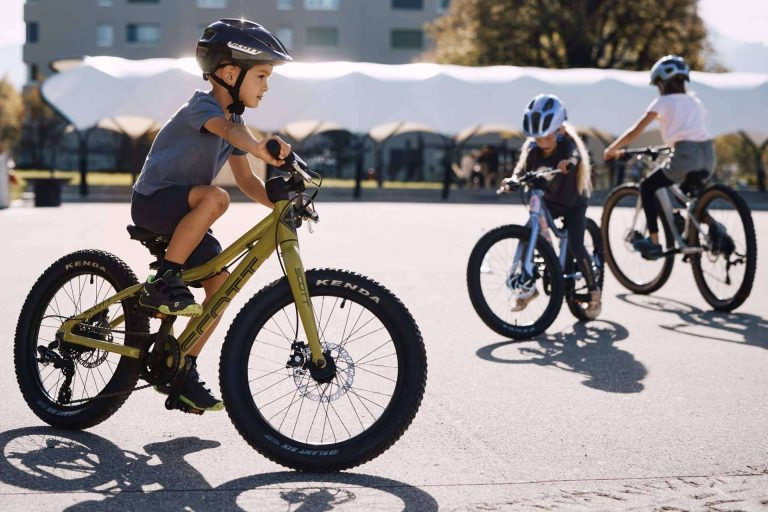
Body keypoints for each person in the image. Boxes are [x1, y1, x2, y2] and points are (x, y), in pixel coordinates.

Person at [130, 18, 293, 412]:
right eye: (262, 76)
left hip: (188, 215)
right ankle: (164, 280)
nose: (266, 86)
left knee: (221, 290)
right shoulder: (202, 107)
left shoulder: (235, 122)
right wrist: (258, 145)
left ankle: (180, 367)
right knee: (217, 197)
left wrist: (282, 206)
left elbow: (249, 181)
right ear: (230, 74)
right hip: (154, 202)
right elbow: (230, 133)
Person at [604, 55, 716, 259]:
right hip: (708, 154)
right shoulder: (694, 101)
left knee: (647, 186)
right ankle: (715, 229)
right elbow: (692, 130)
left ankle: (654, 242)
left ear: (661, 83)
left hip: (685, 153)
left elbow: (635, 131)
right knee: (687, 196)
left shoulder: (663, 102)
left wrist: (612, 148)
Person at [503, 94, 601, 319]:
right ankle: (527, 285)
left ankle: (594, 290)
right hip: (549, 203)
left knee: (576, 245)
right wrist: (512, 180)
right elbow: (520, 170)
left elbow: (574, 156)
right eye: (538, 139)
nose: (543, 143)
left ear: (558, 131)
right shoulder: (532, 150)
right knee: (528, 235)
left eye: (547, 137)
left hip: (573, 204)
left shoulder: (567, 145)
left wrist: (568, 163)